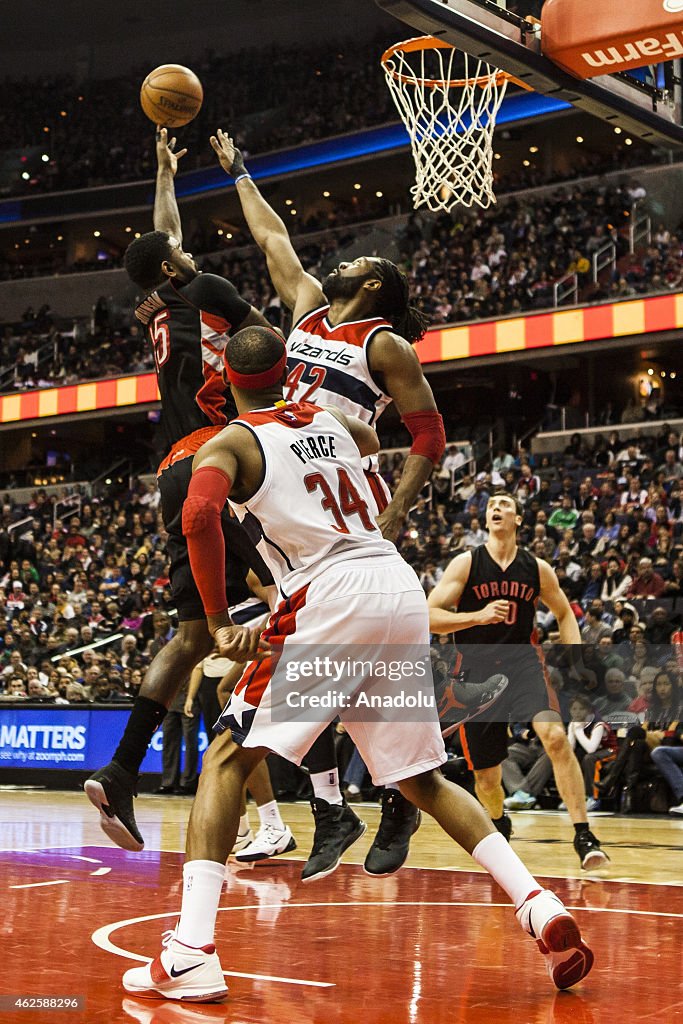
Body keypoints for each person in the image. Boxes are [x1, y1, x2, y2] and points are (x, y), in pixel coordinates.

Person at [121, 327, 593, 1002]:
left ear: (224, 383)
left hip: (329, 595)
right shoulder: (332, 419)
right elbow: (372, 441)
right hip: (395, 587)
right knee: (421, 780)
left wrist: (221, 621)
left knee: (227, 758)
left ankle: (192, 952)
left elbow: (198, 514)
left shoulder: (229, 442)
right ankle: (537, 903)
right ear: (288, 372)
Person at [210, 130, 446, 878]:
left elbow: (429, 433)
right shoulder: (307, 310)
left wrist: (398, 508)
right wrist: (240, 170)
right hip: (285, 493)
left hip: (342, 505)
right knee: (301, 658)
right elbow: (273, 237)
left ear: (374, 285)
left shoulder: (383, 344)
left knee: (324, 655)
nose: (341, 261)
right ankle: (343, 803)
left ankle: (375, 796)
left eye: (359, 261)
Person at [84, 127, 275, 852]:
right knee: (306, 591)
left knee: (194, 634)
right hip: (222, 460)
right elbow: (269, 351)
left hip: (170, 468)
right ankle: (324, 800)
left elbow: (164, 240)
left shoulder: (162, 307)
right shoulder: (212, 289)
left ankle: (122, 769)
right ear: (173, 263)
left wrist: (163, 170)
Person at [427, 491, 609, 869]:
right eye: (491, 504)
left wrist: (575, 658)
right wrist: (476, 617)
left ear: (519, 519)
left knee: (556, 738)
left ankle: (583, 834)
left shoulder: (537, 568)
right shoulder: (466, 563)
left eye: (505, 504)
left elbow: (564, 613)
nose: (496, 508)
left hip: (524, 665)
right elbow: (429, 615)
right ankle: (498, 823)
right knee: (488, 779)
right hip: (475, 674)